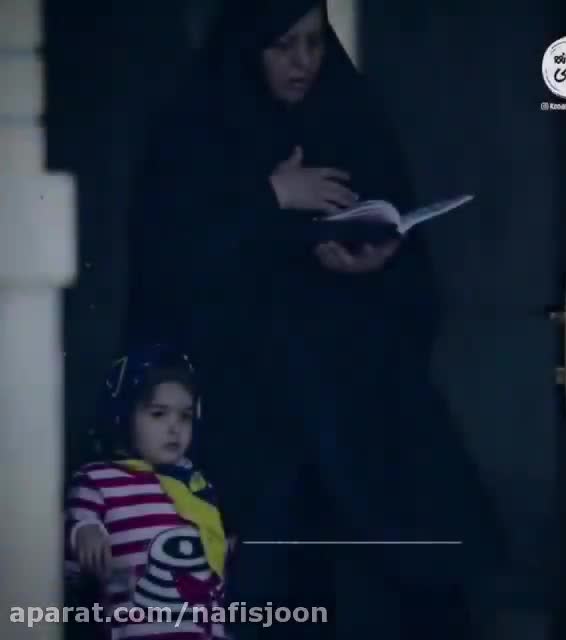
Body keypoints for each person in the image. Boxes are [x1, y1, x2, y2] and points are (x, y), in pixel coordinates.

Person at [126, 1, 504, 636]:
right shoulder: (195, 127)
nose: (303, 62)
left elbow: (413, 281)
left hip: (358, 412)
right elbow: (170, 267)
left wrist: (374, 262)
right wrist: (269, 196)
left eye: (314, 42)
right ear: (248, 48)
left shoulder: (349, 113)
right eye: (282, 45)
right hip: (248, 420)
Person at [64, 344, 232, 639]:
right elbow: (68, 537)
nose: (174, 428)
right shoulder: (97, 479)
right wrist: (84, 533)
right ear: (123, 416)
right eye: (158, 414)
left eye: (185, 416)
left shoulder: (198, 486)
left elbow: (212, 584)